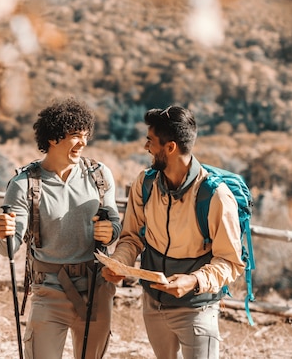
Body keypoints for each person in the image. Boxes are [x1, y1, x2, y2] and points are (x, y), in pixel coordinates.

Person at [102, 105, 244, 359]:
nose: (146, 148)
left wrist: (194, 280)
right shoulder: (144, 183)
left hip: (197, 309)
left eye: (150, 141)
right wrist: (120, 263)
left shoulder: (216, 196)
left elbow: (230, 262)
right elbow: (131, 237)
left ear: (170, 147)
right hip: (152, 305)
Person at [0, 97, 122, 359]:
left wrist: (111, 232)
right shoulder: (23, 184)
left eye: (86, 135)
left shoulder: (99, 176)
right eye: (76, 135)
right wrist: (2, 234)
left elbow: (115, 224)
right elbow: (9, 246)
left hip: (95, 289)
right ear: (53, 138)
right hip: (49, 290)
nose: (84, 142)